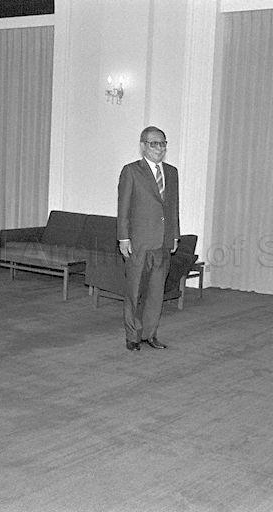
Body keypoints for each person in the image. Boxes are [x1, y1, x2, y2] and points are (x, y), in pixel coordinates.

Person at [117, 126, 180, 351]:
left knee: (156, 292)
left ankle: (150, 334)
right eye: (154, 144)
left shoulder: (171, 172)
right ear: (143, 146)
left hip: (163, 243)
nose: (159, 148)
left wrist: (174, 236)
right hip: (139, 243)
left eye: (163, 143)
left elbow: (173, 207)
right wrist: (123, 238)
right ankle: (133, 336)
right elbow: (123, 207)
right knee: (134, 291)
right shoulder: (131, 171)